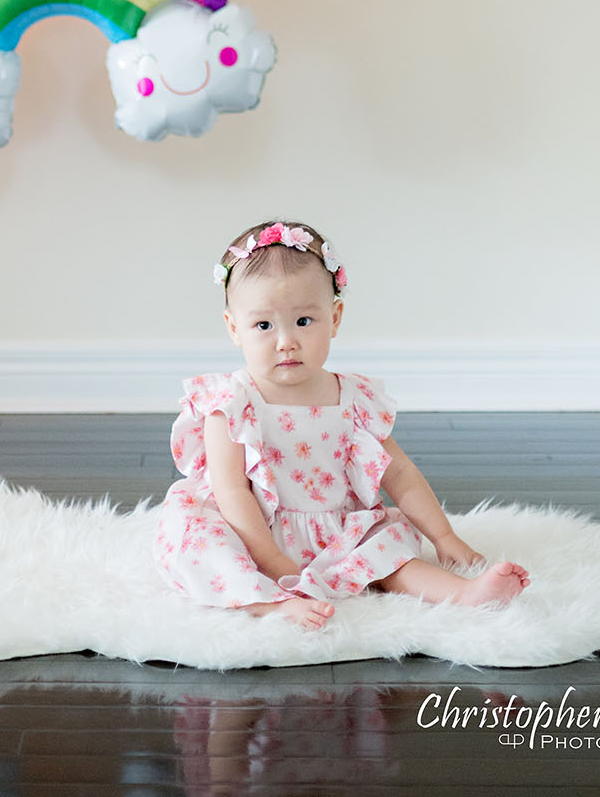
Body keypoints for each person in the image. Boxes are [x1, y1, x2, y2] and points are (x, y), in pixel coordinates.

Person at [154, 219, 531, 630]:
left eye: (304, 321)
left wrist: (443, 537)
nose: (286, 342)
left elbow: (400, 474)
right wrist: (271, 559)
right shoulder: (229, 402)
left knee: (388, 553)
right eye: (264, 325)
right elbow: (231, 493)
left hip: (332, 527)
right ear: (234, 328)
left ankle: (464, 595)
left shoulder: (353, 399)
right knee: (204, 546)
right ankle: (271, 604)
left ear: (334, 318)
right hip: (251, 527)